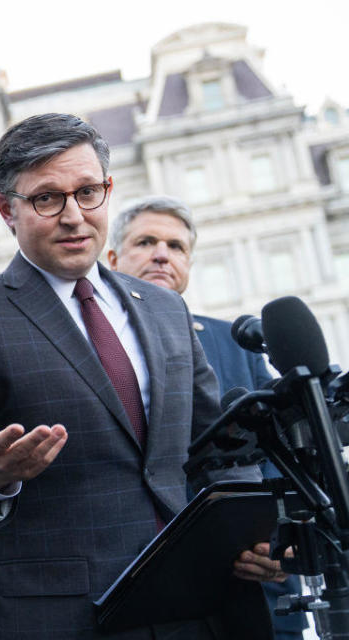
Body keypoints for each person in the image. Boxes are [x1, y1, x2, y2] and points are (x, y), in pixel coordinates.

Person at [0, 113, 278, 639]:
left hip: (199, 604)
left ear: (108, 189)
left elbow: (219, 447)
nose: (73, 216)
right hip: (63, 616)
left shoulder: (165, 309)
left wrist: (251, 533)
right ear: (5, 210)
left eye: (88, 192)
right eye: (46, 198)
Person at [108, 195, 308, 639]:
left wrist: (281, 546)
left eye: (177, 247)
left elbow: (280, 462)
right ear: (112, 258)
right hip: (139, 593)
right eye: (147, 241)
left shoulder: (239, 343)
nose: (163, 253)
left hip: (249, 592)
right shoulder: (87, 343)